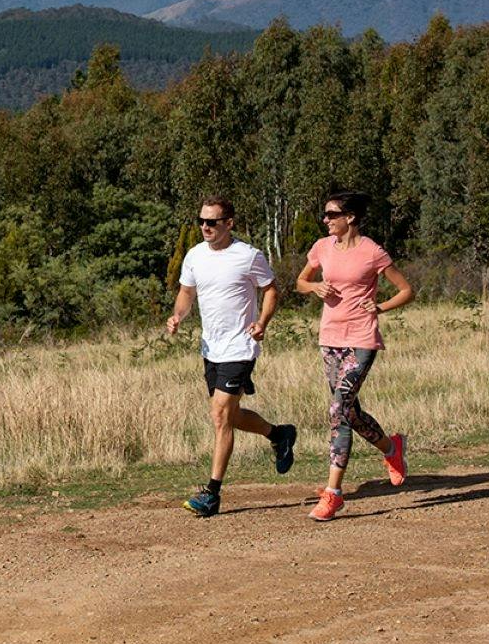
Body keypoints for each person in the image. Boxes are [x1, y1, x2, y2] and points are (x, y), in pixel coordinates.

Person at [167, 197, 297, 517]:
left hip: (241, 346)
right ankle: (278, 434)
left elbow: (271, 291)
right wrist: (178, 316)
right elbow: (187, 292)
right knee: (231, 416)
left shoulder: (249, 255)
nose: (205, 227)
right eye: (201, 221)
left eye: (212, 222)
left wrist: (262, 323)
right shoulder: (195, 256)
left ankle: (211, 493)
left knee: (220, 415)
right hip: (211, 347)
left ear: (229, 223)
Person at [293, 190, 415, 521]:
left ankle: (333, 494)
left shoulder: (372, 251)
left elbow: (407, 290)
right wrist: (314, 287)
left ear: (350, 218)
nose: (326, 220)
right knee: (350, 412)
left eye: (332, 215)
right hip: (329, 338)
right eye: (325, 215)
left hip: (361, 338)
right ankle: (392, 448)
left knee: (338, 408)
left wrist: (380, 306)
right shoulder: (322, 247)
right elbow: (300, 282)